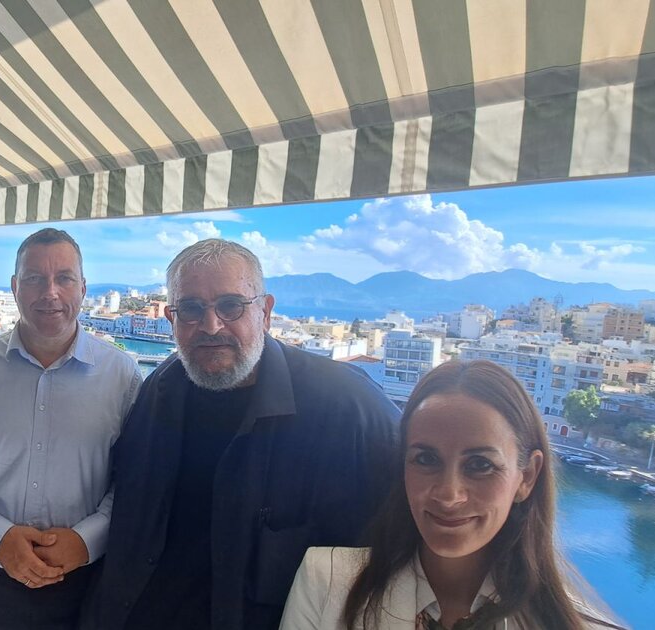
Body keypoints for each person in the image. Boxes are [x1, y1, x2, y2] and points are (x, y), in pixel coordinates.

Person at [82, 239, 400, 630]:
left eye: (230, 305)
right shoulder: (159, 392)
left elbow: (403, 538)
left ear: (265, 312)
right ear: (171, 318)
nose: (211, 325)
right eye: (191, 309)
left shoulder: (347, 410)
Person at [280, 360, 623, 630]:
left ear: (527, 476)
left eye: (480, 465)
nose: (449, 495)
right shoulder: (326, 583)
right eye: (426, 459)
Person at [0, 228, 142, 630]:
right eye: (35, 278)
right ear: (15, 287)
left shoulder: (121, 375)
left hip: (86, 587)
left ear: (83, 288)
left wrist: (86, 540)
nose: (50, 292)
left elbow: (135, 483)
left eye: (64, 278)